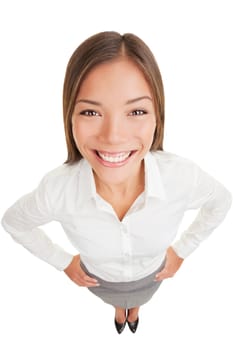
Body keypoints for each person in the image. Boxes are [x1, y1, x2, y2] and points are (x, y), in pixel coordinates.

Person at [1, 31, 232, 334]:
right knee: (116, 299)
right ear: (70, 117)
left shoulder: (181, 178)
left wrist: (181, 251)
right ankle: (118, 309)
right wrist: (63, 262)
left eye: (136, 111)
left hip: (152, 276)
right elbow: (14, 222)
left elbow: (220, 201)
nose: (112, 136)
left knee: (140, 298)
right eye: (91, 111)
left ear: (157, 119)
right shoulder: (57, 190)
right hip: (101, 280)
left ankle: (133, 311)